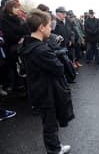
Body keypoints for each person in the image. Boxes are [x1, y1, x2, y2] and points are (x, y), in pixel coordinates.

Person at [19, 9, 74, 154]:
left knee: (49, 122)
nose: (51, 28)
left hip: (39, 89)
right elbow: (59, 68)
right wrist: (58, 52)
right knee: (50, 124)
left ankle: (55, 146)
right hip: (46, 92)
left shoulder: (29, 44)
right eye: (49, 26)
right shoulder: (40, 50)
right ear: (41, 27)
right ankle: (54, 150)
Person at [0, 0, 30, 91]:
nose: (18, 10)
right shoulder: (3, 19)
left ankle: (23, 85)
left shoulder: (19, 18)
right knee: (13, 67)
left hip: (21, 46)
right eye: (15, 7)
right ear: (9, 8)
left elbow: (27, 31)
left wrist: (23, 35)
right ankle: (16, 85)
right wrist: (21, 34)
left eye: (18, 7)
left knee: (23, 66)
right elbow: (10, 34)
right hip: (10, 47)